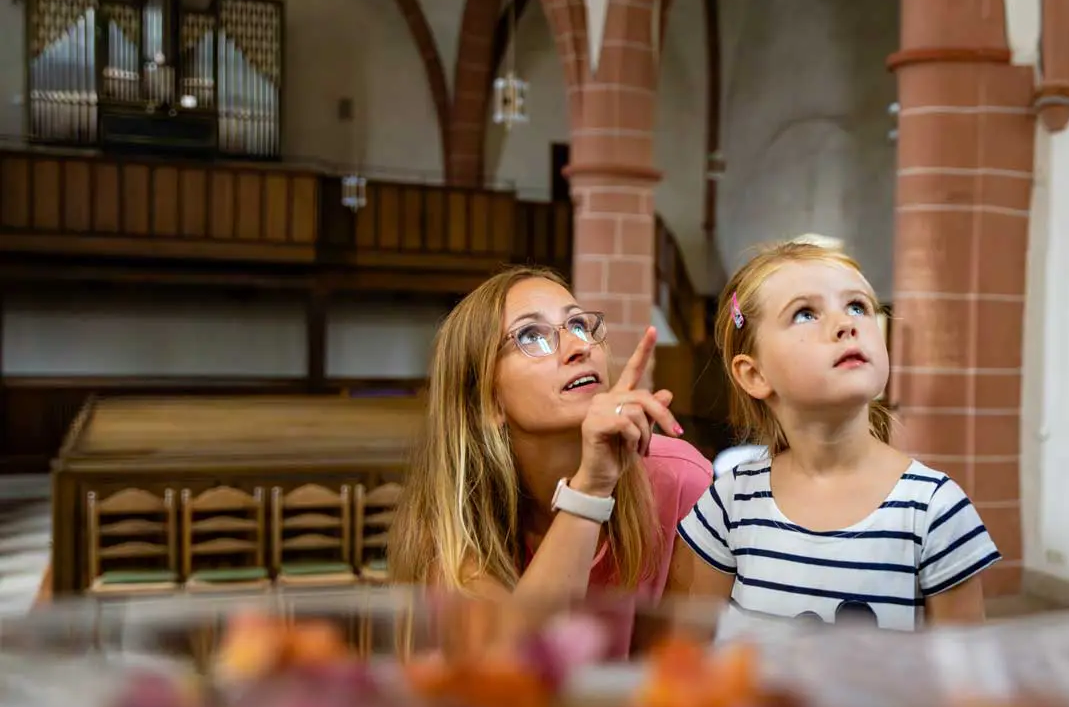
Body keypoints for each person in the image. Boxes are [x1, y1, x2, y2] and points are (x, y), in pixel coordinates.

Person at [668, 240, 998, 633]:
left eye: (858, 306)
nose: (847, 324)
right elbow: (691, 649)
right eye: (805, 313)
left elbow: (964, 665)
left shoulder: (934, 509)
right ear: (754, 374)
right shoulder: (732, 502)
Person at [388, 265, 713, 657]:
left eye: (578, 325)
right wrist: (591, 489)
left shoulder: (679, 478)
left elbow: (678, 673)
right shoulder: (454, 515)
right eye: (531, 336)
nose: (579, 347)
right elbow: (506, 669)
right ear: (488, 402)